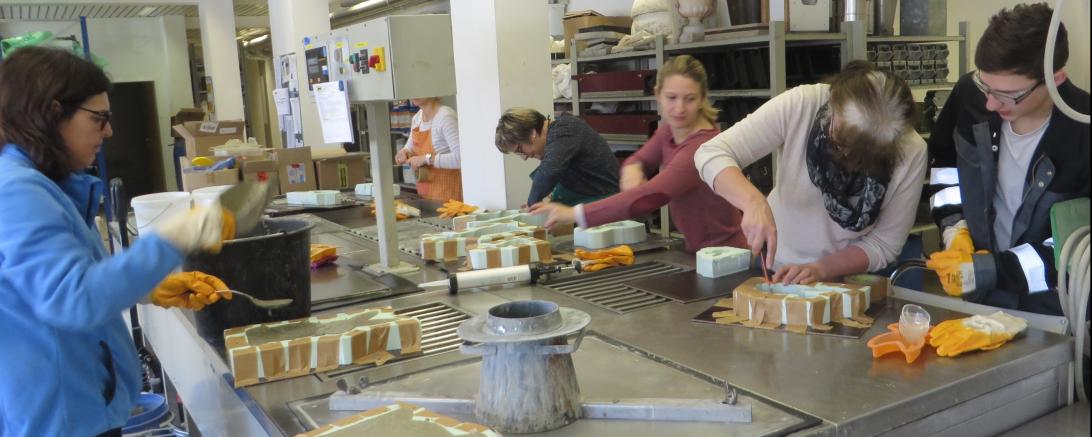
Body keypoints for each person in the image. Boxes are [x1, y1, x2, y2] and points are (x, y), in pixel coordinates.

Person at [0, 47, 232, 436]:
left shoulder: (37, 183)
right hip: (60, 418)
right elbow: (73, 299)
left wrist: (148, 287)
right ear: (53, 113)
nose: (108, 132)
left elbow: (48, 285)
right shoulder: (18, 191)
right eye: (100, 118)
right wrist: (173, 238)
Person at [695, 60, 927, 284]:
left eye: (862, 156)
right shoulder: (802, 105)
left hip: (849, 281)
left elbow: (884, 243)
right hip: (776, 266)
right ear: (834, 105)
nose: (847, 158)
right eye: (840, 143)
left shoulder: (911, 150)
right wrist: (753, 202)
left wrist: (820, 269)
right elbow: (711, 153)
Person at [926, 3, 1089, 315]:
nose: (989, 103)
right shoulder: (969, 98)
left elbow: (1075, 249)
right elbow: (945, 167)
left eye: (1007, 94)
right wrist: (954, 229)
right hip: (980, 300)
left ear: (1056, 79)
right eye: (985, 85)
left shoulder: (1082, 132)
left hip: (1053, 309)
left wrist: (991, 270)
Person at [529, 55, 745, 252]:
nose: (679, 109)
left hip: (730, 254)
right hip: (701, 251)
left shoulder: (701, 147)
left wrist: (574, 214)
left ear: (703, 98)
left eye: (689, 99)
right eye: (671, 98)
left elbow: (651, 196)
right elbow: (641, 157)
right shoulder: (671, 129)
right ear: (657, 94)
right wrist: (634, 166)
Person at [495, 107, 620, 206]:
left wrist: (532, 206)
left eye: (520, 150)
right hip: (588, 201)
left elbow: (548, 172)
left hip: (606, 205)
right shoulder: (557, 136)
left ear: (532, 133)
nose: (524, 157)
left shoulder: (564, 130)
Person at [394, 97, 464, 201]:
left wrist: (426, 159)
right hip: (426, 197)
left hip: (449, 199)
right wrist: (404, 153)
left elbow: (461, 159)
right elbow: (409, 147)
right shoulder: (417, 118)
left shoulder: (445, 117)